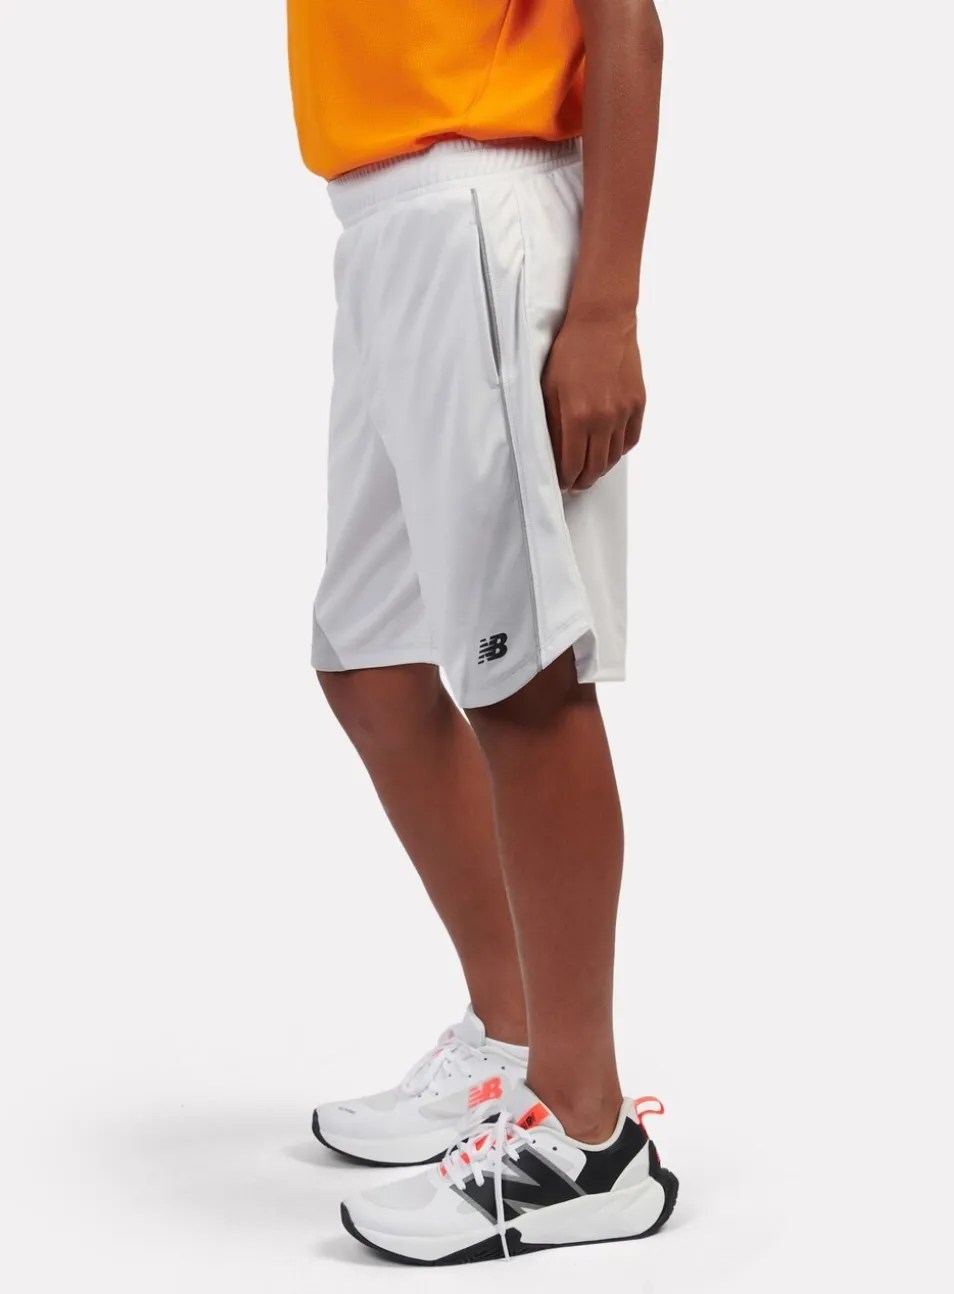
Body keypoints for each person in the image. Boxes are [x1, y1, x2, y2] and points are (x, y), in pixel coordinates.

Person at [287, 0, 674, 1265]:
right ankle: (514, 1035)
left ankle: (588, 1133)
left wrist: (606, 308)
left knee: (523, 674)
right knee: (369, 666)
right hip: (382, 223)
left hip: (477, 205)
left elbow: (627, 25)